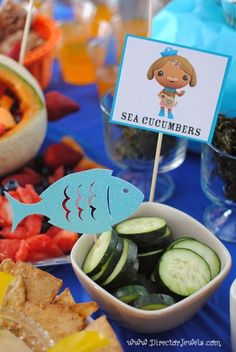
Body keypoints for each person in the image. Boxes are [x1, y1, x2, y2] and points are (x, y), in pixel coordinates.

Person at [147, 47, 197, 119]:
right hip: (164, 98)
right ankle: (161, 112)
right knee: (162, 105)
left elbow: (177, 94)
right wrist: (161, 94)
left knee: (169, 107)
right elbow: (161, 92)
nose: (172, 78)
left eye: (184, 77)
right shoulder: (165, 89)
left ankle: (169, 114)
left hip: (171, 99)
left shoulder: (173, 90)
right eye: (161, 73)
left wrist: (181, 94)